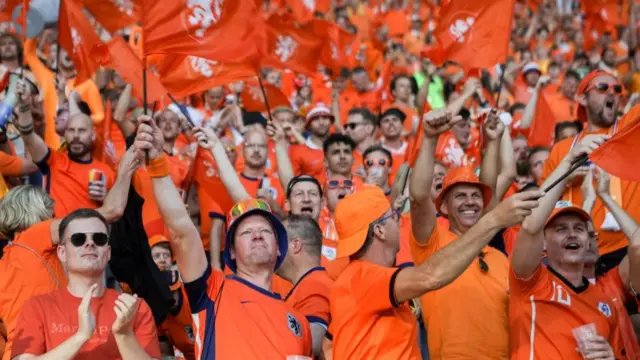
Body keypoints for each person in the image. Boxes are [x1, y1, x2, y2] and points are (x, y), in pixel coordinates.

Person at [134, 115, 312, 358]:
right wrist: (156, 162)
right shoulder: (213, 290)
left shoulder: (299, 323)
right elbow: (181, 232)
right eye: (246, 232)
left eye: (265, 230)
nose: (257, 235)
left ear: (280, 248)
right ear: (231, 251)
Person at [328, 183, 541, 359]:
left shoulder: (368, 278)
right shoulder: (361, 277)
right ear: (379, 230)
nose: (400, 220)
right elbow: (431, 276)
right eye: (393, 215)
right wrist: (494, 220)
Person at [0, 147, 138, 360]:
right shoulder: (36, 235)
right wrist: (126, 169)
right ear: (37, 211)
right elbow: (112, 211)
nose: (53, 216)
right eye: (49, 211)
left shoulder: (4, 261)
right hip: (50, 349)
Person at [510, 143, 630, 359]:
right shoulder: (530, 282)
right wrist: (567, 164)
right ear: (543, 243)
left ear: (589, 240)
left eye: (579, 229)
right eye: (561, 229)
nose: (572, 235)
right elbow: (530, 226)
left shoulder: (604, 303)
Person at [409, 108, 512, 359]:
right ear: (443, 207)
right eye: (460, 196)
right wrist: (430, 139)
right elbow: (418, 196)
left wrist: (493, 139)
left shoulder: (500, 258)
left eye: (475, 196)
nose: (470, 202)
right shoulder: (433, 244)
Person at [10, 209, 160, 360]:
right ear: (62, 253)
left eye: (99, 238)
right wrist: (81, 336)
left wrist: (124, 335)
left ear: (107, 253)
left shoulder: (135, 308)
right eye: (78, 239)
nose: (90, 243)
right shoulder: (37, 307)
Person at [541, 70, 640, 274]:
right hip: (574, 256)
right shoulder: (563, 149)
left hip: (627, 252)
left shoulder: (630, 131)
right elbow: (540, 204)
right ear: (581, 98)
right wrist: (566, 173)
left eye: (617, 89)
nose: (612, 93)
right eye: (603, 88)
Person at [13, 78, 115, 218]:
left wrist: (106, 198)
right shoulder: (53, 161)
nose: (76, 136)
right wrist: (24, 106)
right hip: (57, 236)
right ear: (65, 133)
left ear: (92, 135)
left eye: (82, 131)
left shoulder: (106, 171)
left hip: (89, 237)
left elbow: (117, 210)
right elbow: (28, 135)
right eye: (71, 130)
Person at [277, 215, 332, 359]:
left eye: (278, 243)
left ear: (295, 245)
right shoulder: (310, 283)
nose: (275, 251)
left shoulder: (314, 285)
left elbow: (312, 342)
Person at [289, 103, 333, 181]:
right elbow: (293, 184)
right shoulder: (297, 151)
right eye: (316, 119)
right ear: (308, 125)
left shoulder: (341, 147)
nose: (321, 122)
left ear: (330, 121)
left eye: (325, 118)